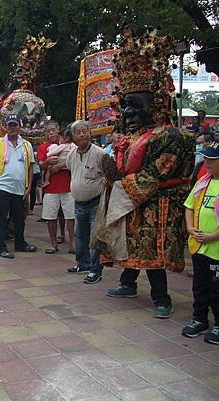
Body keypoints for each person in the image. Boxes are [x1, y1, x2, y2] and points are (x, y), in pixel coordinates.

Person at [100, 27, 195, 319]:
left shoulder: (170, 137)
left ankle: (161, 298)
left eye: (134, 106)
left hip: (158, 205)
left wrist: (118, 184)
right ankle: (128, 283)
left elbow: (152, 176)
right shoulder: (129, 138)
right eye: (124, 105)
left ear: (154, 105)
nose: (127, 113)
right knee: (130, 244)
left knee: (152, 251)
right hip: (132, 200)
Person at [0, 114, 36, 258]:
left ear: (20, 127)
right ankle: (0, 247)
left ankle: (20, 243)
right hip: (2, 187)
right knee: (0, 218)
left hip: (19, 189)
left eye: (15, 125)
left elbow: (31, 167)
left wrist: (29, 187)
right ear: (5, 127)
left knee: (19, 218)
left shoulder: (26, 145)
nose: (12, 128)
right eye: (10, 125)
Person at [183, 140, 219, 344]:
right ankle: (199, 319)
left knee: (217, 288)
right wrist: (190, 228)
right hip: (199, 245)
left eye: (212, 160)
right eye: (206, 159)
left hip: (216, 247)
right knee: (200, 285)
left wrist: (212, 236)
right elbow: (190, 206)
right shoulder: (203, 182)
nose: (207, 163)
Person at [66, 121, 106, 283]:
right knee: (80, 235)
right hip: (78, 202)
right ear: (73, 136)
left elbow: (109, 175)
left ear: (90, 133)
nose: (82, 135)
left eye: (85, 131)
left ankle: (96, 270)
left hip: (96, 202)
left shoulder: (100, 154)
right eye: (78, 132)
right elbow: (71, 172)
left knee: (95, 237)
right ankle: (82, 264)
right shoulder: (71, 154)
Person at [38, 120, 75, 254]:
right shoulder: (43, 147)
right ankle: (53, 244)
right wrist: (47, 162)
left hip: (68, 185)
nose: (51, 132)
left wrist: (60, 166)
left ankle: (72, 243)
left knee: (70, 215)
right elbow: (41, 164)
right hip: (50, 188)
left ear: (58, 130)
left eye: (53, 129)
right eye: (48, 131)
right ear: (45, 133)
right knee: (50, 216)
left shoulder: (68, 144)